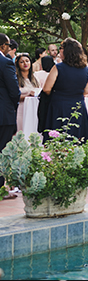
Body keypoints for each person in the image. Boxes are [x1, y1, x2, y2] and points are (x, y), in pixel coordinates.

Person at [42, 38, 88, 143]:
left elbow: (46, 89)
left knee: (57, 139)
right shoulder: (86, 69)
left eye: (61, 48)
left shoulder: (58, 68)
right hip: (78, 105)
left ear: (66, 51)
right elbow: (87, 90)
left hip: (59, 105)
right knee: (77, 139)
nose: (59, 51)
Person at [0, 34, 20, 193]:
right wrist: (13, 106)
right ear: (2, 46)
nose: (9, 47)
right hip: (3, 112)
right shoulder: (5, 62)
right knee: (2, 150)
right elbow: (14, 91)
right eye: (8, 44)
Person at [15, 53, 40, 132]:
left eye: (27, 61)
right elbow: (14, 96)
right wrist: (27, 95)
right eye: (22, 62)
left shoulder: (35, 78)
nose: (25, 63)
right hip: (21, 110)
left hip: (33, 110)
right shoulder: (16, 79)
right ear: (18, 64)